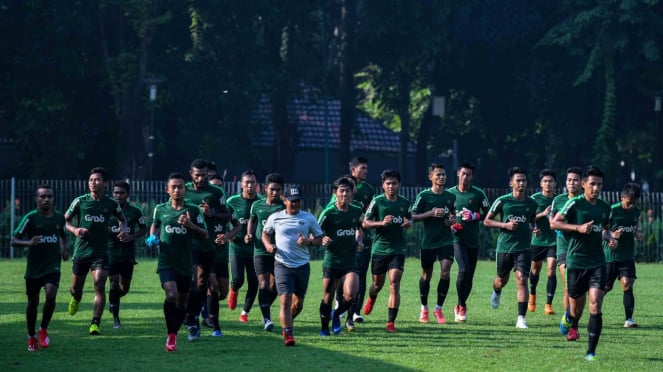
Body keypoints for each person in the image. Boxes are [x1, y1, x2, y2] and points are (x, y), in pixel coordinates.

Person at [552, 165, 619, 361]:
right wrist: (578, 228)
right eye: (592, 184)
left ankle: (591, 351)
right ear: (584, 185)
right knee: (575, 309)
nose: (596, 188)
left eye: (599, 184)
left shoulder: (605, 208)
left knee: (595, 305)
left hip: (598, 262)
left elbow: (604, 230)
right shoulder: (575, 203)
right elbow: (554, 223)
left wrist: (610, 237)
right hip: (576, 262)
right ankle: (569, 317)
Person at [146, 172, 208, 352]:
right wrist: (152, 237)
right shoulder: (160, 209)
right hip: (166, 261)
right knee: (171, 295)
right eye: (173, 187)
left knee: (182, 302)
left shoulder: (193, 210)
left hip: (185, 263)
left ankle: (174, 331)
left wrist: (190, 225)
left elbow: (205, 235)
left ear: (185, 189)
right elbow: (156, 224)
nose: (177, 190)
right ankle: (171, 336)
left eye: (180, 186)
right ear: (167, 190)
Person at [65, 167, 126, 335]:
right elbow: (65, 220)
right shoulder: (80, 201)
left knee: (99, 284)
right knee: (76, 288)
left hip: (100, 253)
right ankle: (76, 298)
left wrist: (123, 229)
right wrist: (75, 230)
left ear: (105, 183)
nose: (93, 183)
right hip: (81, 252)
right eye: (91, 180)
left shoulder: (111, 204)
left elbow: (123, 219)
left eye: (97, 180)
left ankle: (95, 323)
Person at [262, 185, 324, 346]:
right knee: (285, 301)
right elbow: (265, 233)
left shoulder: (308, 217)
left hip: (302, 265)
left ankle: (286, 323)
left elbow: (319, 239)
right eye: (291, 201)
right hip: (282, 264)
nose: (295, 204)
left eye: (297, 201)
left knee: (298, 304)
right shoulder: (275, 217)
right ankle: (288, 334)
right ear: (284, 200)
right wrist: (268, 245)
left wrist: (308, 241)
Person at [12, 184, 68, 351]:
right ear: (36, 199)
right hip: (34, 269)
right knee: (33, 302)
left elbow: (64, 237)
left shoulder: (59, 218)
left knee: (51, 296)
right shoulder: (31, 218)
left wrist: (64, 250)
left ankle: (43, 329)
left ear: (53, 198)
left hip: (53, 267)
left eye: (49, 196)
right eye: (42, 196)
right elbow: (14, 240)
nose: (46, 199)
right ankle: (31, 336)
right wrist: (29, 242)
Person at [484, 166, 538, 329]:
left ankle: (521, 318)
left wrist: (534, 228)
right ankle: (497, 291)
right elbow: (487, 221)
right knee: (501, 279)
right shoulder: (503, 201)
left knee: (522, 279)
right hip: (505, 247)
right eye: (518, 180)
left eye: (524, 180)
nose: (522, 183)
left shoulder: (532, 203)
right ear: (511, 183)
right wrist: (505, 225)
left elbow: (532, 221)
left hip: (523, 248)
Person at [183, 159, 229, 341]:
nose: (201, 178)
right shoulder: (183, 189)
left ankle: (193, 314)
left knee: (202, 284)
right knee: (192, 281)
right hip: (186, 245)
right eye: (198, 175)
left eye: (204, 175)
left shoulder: (216, 192)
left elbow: (227, 215)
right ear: (191, 174)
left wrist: (212, 214)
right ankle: (191, 316)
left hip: (207, 244)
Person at [362, 169, 412, 332]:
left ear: (399, 185)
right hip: (380, 249)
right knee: (377, 284)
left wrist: (408, 223)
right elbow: (365, 223)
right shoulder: (377, 202)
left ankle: (390, 322)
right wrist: (380, 223)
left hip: (398, 249)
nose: (391, 186)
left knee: (394, 283)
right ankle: (372, 297)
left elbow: (409, 218)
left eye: (394, 183)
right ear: (383, 185)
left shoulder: (404, 202)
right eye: (388, 183)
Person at [317, 177, 364, 335]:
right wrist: (322, 238)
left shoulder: (357, 210)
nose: (345, 194)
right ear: (335, 193)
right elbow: (316, 231)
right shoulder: (329, 212)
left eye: (348, 191)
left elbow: (358, 228)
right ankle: (324, 327)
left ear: (352, 193)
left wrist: (359, 240)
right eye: (341, 191)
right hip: (332, 261)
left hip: (350, 260)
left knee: (351, 295)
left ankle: (336, 315)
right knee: (327, 297)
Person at [411, 163, 457, 324]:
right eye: (438, 174)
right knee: (427, 275)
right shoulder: (424, 196)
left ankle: (439, 308)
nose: (441, 177)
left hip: (446, 240)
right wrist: (430, 213)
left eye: (443, 174)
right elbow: (412, 217)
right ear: (430, 177)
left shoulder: (450, 196)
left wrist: (452, 221)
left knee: (445, 272)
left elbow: (453, 214)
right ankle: (424, 308)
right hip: (428, 241)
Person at [448, 162, 491, 322]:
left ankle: (461, 304)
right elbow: (444, 216)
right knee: (463, 270)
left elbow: (490, 215)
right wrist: (450, 225)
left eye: (469, 174)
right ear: (458, 174)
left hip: (472, 240)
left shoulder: (478, 194)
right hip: (455, 239)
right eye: (463, 173)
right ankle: (461, 305)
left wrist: (475, 216)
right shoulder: (449, 194)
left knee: (470, 276)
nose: (465, 177)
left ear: (472, 176)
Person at [247, 173, 286, 332]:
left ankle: (264, 308)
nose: (275, 192)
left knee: (277, 286)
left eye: (278, 190)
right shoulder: (257, 205)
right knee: (263, 284)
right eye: (272, 189)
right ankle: (267, 319)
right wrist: (249, 233)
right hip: (260, 251)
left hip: (280, 252)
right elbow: (252, 220)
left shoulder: (284, 207)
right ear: (265, 189)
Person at [107, 181, 147, 328]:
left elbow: (144, 228)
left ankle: (113, 301)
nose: (118, 196)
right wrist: (111, 232)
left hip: (128, 255)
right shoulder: (107, 210)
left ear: (127, 195)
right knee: (113, 283)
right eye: (116, 192)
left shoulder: (135, 211)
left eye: (121, 193)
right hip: (110, 253)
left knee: (124, 288)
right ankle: (116, 319)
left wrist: (132, 236)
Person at [603, 182, 642, 328]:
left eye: (635, 202)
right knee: (605, 287)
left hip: (627, 254)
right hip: (610, 256)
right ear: (622, 197)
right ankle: (595, 308)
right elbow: (602, 231)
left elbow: (635, 225)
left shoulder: (636, 211)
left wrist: (637, 232)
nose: (631, 205)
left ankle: (629, 319)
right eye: (629, 202)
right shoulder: (611, 210)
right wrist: (611, 236)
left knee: (627, 284)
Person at [226, 170, 261, 323]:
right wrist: (229, 234)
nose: (249, 185)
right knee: (238, 279)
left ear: (256, 185)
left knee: (254, 282)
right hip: (237, 248)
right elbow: (222, 220)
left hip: (255, 250)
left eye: (252, 182)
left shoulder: (261, 203)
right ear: (241, 184)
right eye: (246, 182)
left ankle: (245, 312)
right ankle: (233, 290)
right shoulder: (232, 202)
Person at [550, 167, 583, 324]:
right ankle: (570, 321)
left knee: (579, 290)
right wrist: (563, 227)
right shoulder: (559, 200)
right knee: (568, 285)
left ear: (582, 183)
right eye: (569, 180)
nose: (572, 183)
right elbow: (552, 222)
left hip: (582, 249)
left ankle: (571, 317)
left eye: (575, 180)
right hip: (564, 247)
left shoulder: (585, 201)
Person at [528, 169, 558, 315]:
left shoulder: (559, 200)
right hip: (538, 240)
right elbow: (528, 217)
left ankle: (548, 305)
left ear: (555, 183)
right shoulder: (534, 199)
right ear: (541, 183)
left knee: (551, 269)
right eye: (545, 181)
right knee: (535, 270)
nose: (548, 184)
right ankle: (532, 295)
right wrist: (543, 214)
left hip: (554, 241)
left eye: (550, 181)